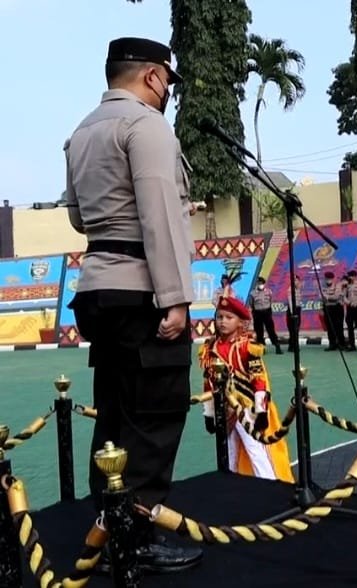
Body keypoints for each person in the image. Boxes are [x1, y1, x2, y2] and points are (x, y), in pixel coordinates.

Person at [64, 36, 202, 572]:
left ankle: (107, 525)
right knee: (155, 415)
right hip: (142, 288)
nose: (167, 90)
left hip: (98, 285)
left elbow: (78, 217)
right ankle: (136, 536)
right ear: (152, 76)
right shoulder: (146, 126)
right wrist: (176, 299)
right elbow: (160, 217)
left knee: (116, 415)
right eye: (167, 80)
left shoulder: (81, 133)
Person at [199, 296, 294, 482]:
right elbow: (208, 382)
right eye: (219, 317)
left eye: (229, 317)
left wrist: (261, 411)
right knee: (229, 454)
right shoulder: (210, 348)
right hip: (224, 410)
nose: (223, 322)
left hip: (247, 408)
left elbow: (259, 380)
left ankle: (271, 489)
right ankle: (233, 491)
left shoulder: (248, 347)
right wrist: (209, 414)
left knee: (257, 452)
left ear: (240, 322)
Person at [249, 276, 283, 355]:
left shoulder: (268, 292)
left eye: (262, 283)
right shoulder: (253, 293)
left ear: (264, 284)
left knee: (271, 330)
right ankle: (262, 348)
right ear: (257, 284)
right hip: (257, 313)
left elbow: (270, 301)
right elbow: (251, 304)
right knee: (259, 331)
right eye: (259, 283)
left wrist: (268, 310)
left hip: (267, 312)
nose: (260, 285)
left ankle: (277, 346)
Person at [322, 271, 345, 351]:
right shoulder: (323, 286)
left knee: (338, 327)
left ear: (333, 279)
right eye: (327, 279)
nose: (328, 280)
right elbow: (321, 297)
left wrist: (327, 297)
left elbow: (336, 296)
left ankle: (341, 344)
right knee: (330, 327)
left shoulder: (337, 285)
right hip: (327, 308)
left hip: (337, 308)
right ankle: (332, 344)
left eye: (330, 278)